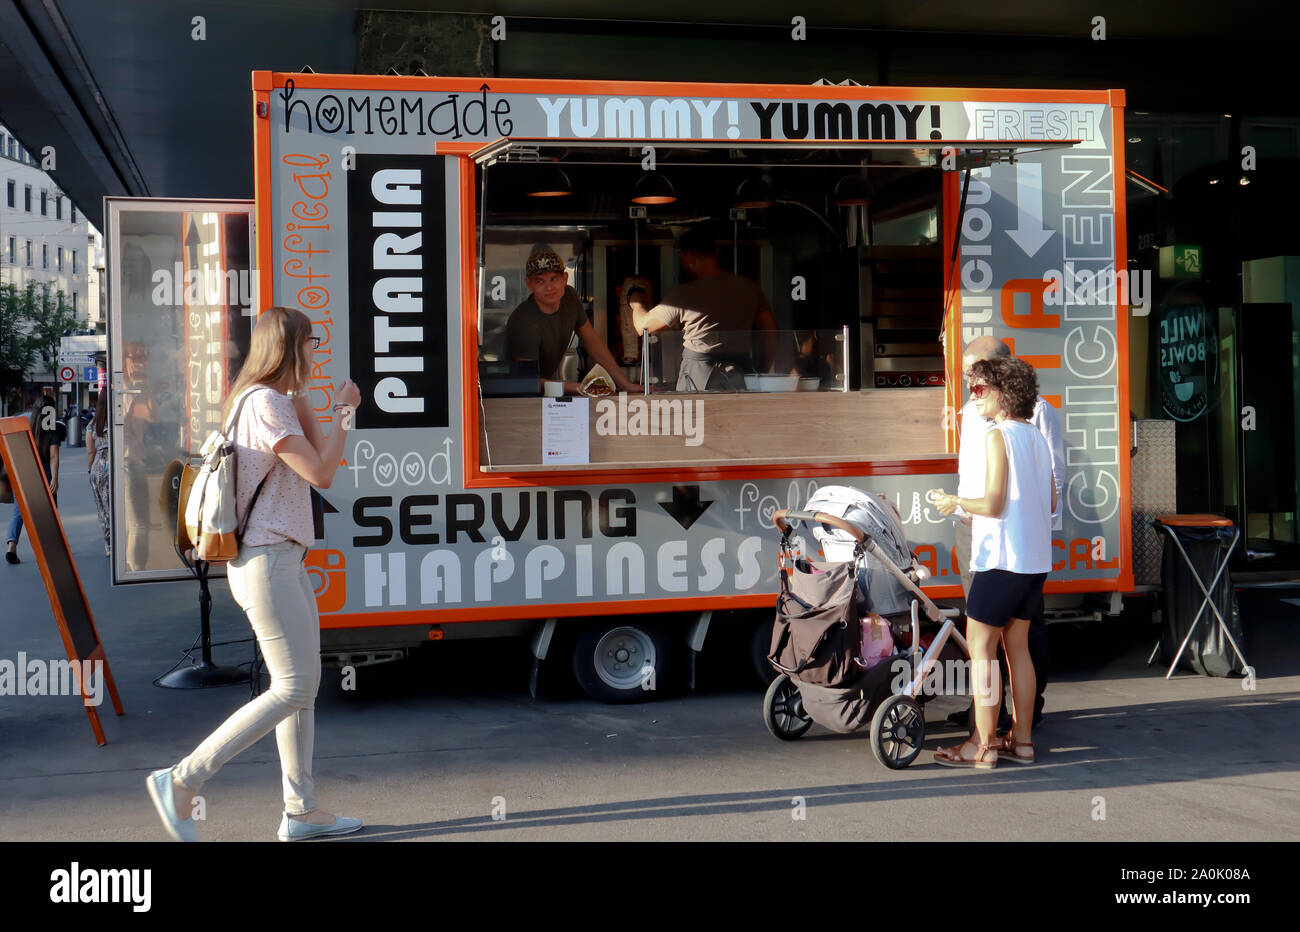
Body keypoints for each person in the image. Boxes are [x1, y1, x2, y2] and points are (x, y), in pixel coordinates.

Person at [147, 306, 364, 842]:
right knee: (292, 687)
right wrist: (345, 414)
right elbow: (322, 472)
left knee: (301, 689)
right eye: (310, 343)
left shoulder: (272, 399)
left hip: (278, 559)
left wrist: (308, 397)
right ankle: (182, 780)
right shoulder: (265, 403)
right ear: (291, 348)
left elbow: (310, 453)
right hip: (266, 561)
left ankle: (302, 811)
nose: (316, 351)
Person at [933, 356, 1055, 767]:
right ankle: (1022, 742)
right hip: (1034, 561)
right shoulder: (1035, 436)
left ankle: (982, 746)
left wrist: (955, 502)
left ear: (1005, 393)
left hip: (1000, 559)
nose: (974, 396)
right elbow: (1051, 500)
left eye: (982, 389)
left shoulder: (996, 436)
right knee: (1017, 649)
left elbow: (992, 501)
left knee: (982, 651)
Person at [627, 226, 778, 392]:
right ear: (716, 252)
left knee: (696, 417)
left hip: (698, 377)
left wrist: (635, 303)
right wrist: (761, 371)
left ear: (688, 256)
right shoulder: (750, 288)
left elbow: (643, 327)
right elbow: (771, 332)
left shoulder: (684, 295)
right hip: (741, 375)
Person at [505, 248, 641, 395]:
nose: (549, 287)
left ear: (565, 278)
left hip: (546, 388)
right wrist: (582, 388)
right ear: (529, 284)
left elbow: (591, 341)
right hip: (516, 397)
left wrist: (625, 384)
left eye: (554, 279)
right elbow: (528, 381)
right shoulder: (524, 322)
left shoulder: (569, 297)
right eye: (540, 281)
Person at [5, 391, 64, 564]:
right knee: (49, 511)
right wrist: (54, 479)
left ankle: (11, 547)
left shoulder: (24, 423)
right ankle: (50, 549)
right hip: (44, 470)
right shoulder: (54, 427)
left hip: (23, 469)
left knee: (19, 511)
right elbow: (53, 456)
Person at [86, 388, 112, 557]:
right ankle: (120, 540)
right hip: (113, 465)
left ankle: (108, 545)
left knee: (102, 508)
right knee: (115, 506)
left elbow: (90, 452)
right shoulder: (119, 421)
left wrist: (90, 470)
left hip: (97, 468)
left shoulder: (92, 425)